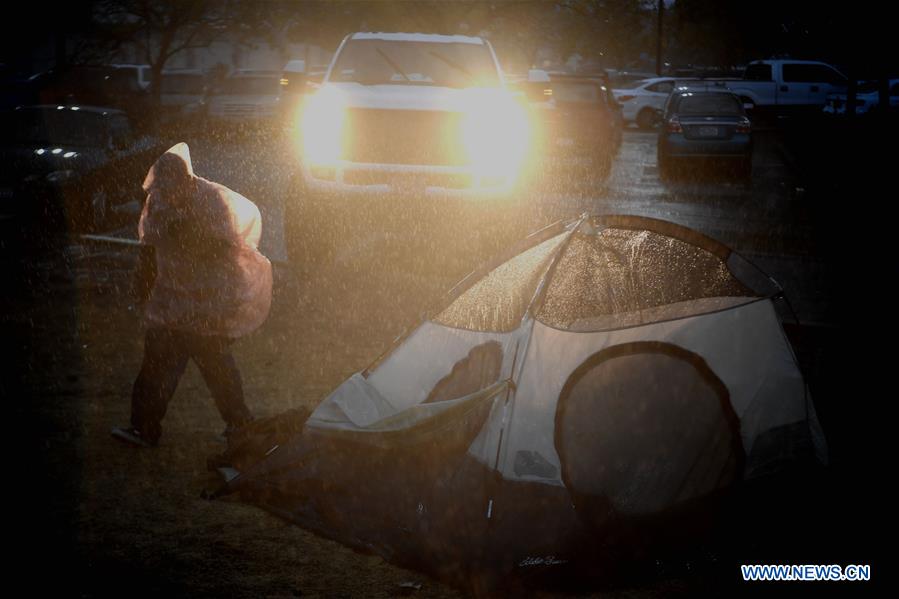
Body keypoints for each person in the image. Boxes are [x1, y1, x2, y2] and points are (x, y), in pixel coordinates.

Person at [112, 143, 273, 447]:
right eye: (162, 186)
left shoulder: (211, 201)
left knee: (214, 365)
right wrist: (142, 287)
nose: (166, 192)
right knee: (158, 366)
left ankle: (240, 425)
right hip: (171, 300)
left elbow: (228, 248)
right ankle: (144, 428)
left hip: (206, 301)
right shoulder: (158, 201)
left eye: (172, 185)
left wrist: (191, 236)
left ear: (185, 178)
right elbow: (148, 247)